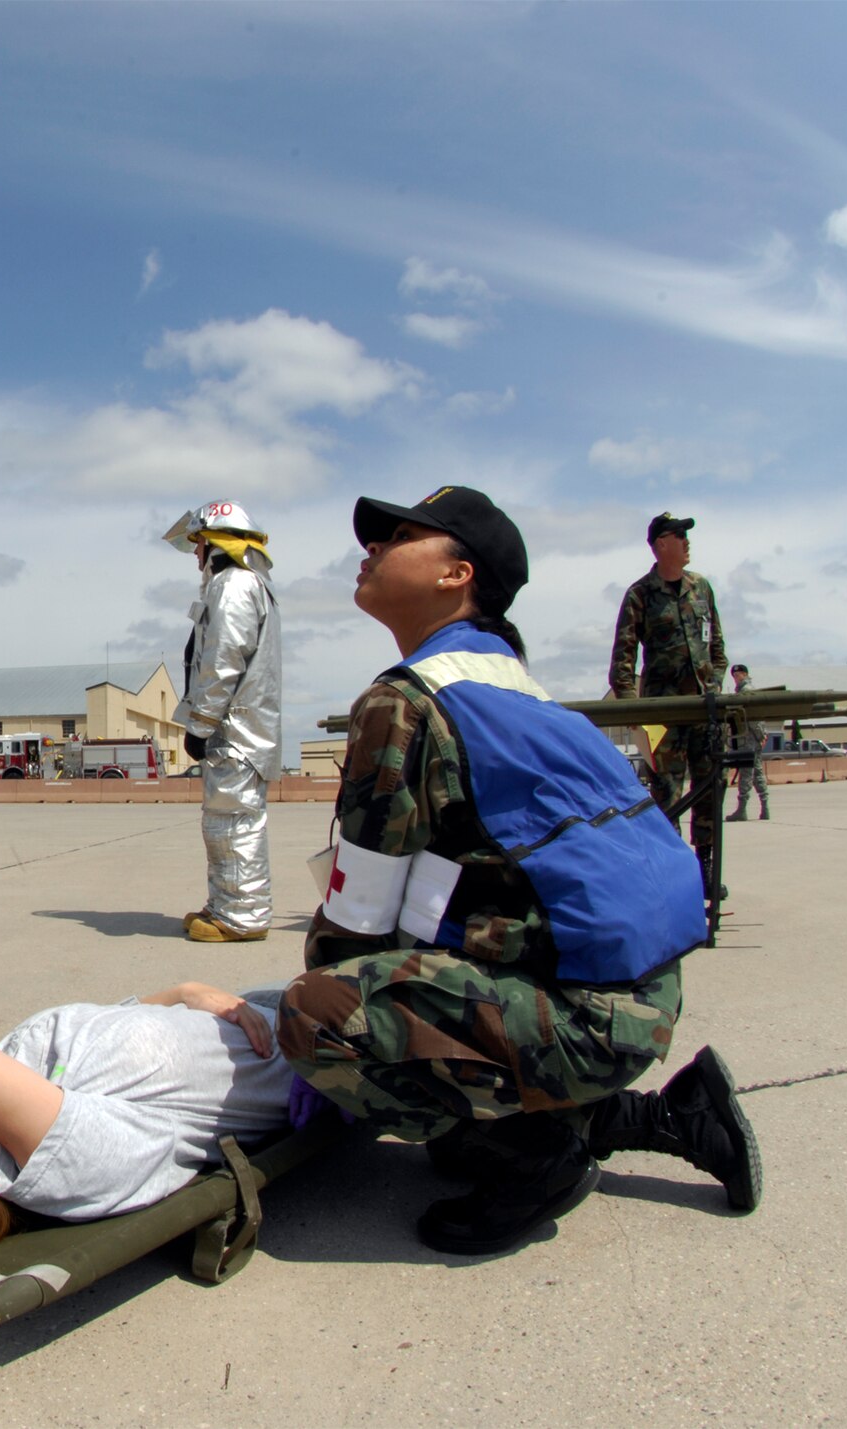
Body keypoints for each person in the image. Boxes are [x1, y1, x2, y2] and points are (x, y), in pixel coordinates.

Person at [277, 486, 760, 1257]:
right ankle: (664, 1115)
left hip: (588, 1012)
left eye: (399, 536)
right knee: (432, 1062)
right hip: (636, 993)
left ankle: (538, 1160)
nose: (370, 549)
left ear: (456, 573)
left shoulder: (404, 701)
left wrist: (325, 1059)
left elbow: (356, 918)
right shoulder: (513, 685)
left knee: (317, 1011)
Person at [0, 983, 294, 1319]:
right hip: (313, 1030)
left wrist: (182, 993)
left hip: (235, 1006)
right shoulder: (69, 1156)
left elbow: (103, 1029)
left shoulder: (8, 1121)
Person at [163, 501, 282, 943]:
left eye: (198, 545)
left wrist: (201, 723)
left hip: (236, 733)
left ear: (214, 543)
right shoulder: (244, 584)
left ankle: (242, 917)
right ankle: (224, 904)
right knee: (223, 822)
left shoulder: (233, 585)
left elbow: (223, 659)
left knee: (233, 824)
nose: (195, 556)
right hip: (238, 732)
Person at [609, 512, 727, 888]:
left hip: (704, 711)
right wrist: (632, 710)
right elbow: (623, 659)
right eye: (680, 535)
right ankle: (675, 874)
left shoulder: (702, 588)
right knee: (665, 794)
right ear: (661, 544)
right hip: (661, 715)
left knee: (712, 786)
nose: (688, 542)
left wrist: (715, 684)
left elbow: (717, 648)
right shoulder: (640, 594)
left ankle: (706, 868)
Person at [727, 664, 771, 821]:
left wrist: (760, 735)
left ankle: (742, 809)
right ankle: (765, 808)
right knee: (757, 773)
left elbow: (753, 717)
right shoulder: (744, 691)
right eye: (734, 675)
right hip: (750, 737)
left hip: (748, 738)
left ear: (745, 674)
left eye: (738, 674)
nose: (735, 677)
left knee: (747, 773)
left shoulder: (746, 691)